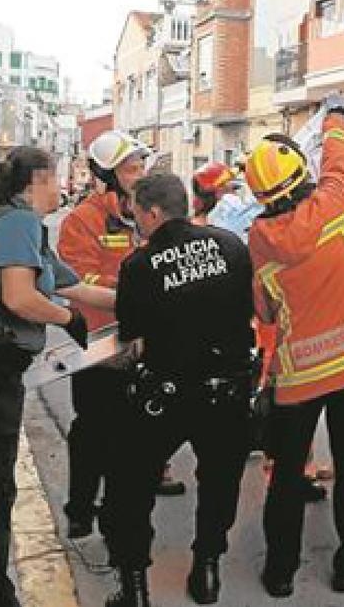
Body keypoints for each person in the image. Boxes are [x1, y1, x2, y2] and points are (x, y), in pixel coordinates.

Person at [0, 147, 115, 607]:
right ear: (38, 180)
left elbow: (75, 286)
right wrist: (66, 317)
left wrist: (140, 302)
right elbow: (19, 298)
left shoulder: (27, 230)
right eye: (58, 178)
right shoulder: (17, 222)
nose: (64, 185)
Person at [245, 92, 344, 597]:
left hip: (298, 379)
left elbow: (266, 311)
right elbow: (343, 157)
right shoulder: (336, 206)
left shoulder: (260, 238)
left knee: (287, 476)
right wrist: (335, 113)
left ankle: (280, 572)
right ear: (301, 175)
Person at [101, 174, 256, 607]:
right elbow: (245, 309)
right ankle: (207, 571)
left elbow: (132, 336)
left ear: (152, 213)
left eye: (135, 212)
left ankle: (134, 586)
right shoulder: (230, 246)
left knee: (132, 486)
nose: (133, 219)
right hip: (225, 391)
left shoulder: (138, 265)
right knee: (220, 482)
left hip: (164, 395)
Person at [59, 131, 183, 540]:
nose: (139, 175)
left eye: (140, 167)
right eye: (131, 169)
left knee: (134, 436)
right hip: (101, 345)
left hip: (145, 344)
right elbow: (79, 280)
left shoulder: (149, 214)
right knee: (92, 430)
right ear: (107, 175)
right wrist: (136, 292)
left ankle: (121, 515)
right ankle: (80, 508)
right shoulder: (84, 220)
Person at [191, 160, 262, 239]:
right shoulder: (228, 209)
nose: (232, 185)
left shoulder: (197, 221)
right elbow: (261, 205)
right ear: (219, 188)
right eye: (228, 181)